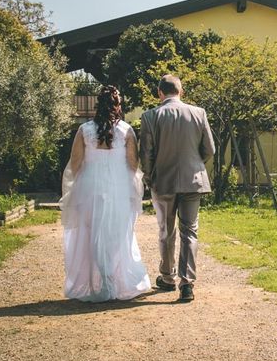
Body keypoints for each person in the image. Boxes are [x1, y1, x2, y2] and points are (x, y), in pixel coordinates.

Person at [61, 85, 151, 302]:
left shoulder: (85, 130)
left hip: (89, 186)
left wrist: (82, 181)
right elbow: (132, 163)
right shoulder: (126, 131)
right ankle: (112, 281)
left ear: (98, 105)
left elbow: (74, 163)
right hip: (118, 186)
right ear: (117, 106)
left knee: (91, 234)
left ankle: (100, 282)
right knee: (117, 234)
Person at [139, 75, 215, 302]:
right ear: (181, 91)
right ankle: (187, 283)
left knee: (166, 230)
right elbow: (209, 149)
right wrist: (195, 164)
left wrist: (149, 175)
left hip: (163, 180)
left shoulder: (150, 116)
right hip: (193, 180)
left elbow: (146, 153)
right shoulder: (198, 113)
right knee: (190, 231)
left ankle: (168, 277)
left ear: (160, 93)